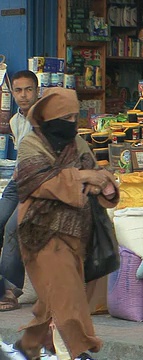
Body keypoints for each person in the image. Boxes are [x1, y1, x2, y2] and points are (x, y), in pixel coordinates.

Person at [13, 88, 119, 360]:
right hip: (41, 232)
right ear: (49, 118)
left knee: (56, 296)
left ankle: (27, 346)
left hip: (79, 232)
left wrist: (102, 184)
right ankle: (82, 350)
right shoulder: (31, 146)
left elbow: (95, 174)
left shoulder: (79, 144)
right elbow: (37, 183)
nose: (71, 123)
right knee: (67, 293)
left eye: (75, 117)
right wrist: (81, 177)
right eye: (65, 117)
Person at [0, 70, 38, 312]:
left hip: (39, 184)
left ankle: (10, 290)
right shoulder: (15, 121)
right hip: (17, 181)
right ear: (12, 94)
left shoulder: (47, 118)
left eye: (28, 90)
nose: (23, 95)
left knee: (14, 227)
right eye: (18, 90)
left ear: (37, 91)